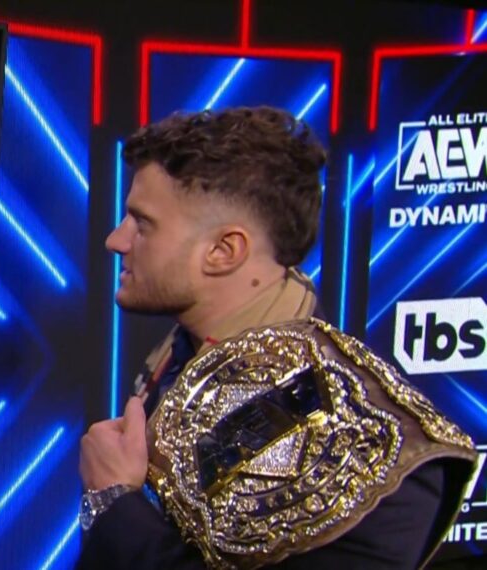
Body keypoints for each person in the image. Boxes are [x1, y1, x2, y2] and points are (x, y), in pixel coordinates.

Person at [77, 107, 476, 569]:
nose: (115, 240)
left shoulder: (371, 451)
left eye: (142, 223)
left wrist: (115, 504)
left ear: (224, 251)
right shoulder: (190, 349)